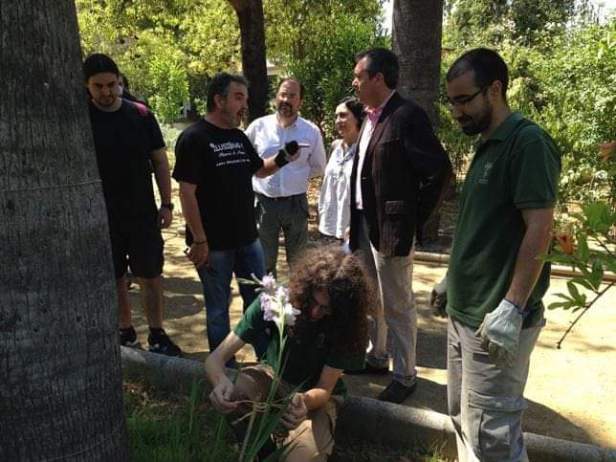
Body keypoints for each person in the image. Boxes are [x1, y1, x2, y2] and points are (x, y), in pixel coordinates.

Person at [445, 48, 560, 461]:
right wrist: (451, 279)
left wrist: (512, 306)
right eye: (452, 101)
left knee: (492, 437)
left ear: (495, 90)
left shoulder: (527, 143)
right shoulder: (486, 145)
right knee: (464, 421)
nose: (456, 112)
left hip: (494, 323)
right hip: (464, 313)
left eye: (464, 100)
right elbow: (481, 225)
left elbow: (540, 228)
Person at [347, 48, 452, 403]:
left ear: (378, 78)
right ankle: (377, 357)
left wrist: (411, 217)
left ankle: (405, 375)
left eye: (359, 76)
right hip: (364, 223)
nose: (354, 82)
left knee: (398, 303)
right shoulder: (369, 118)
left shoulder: (407, 115)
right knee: (372, 298)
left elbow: (439, 172)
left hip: (391, 229)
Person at [172, 73, 301, 359]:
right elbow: (186, 193)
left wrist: (283, 157)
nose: (245, 105)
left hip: (248, 239)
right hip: (213, 246)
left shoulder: (238, 137)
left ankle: (267, 362)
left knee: (260, 303)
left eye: (245, 98)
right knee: (218, 309)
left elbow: (260, 170)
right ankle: (223, 368)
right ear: (219, 100)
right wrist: (200, 240)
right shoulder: (194, 138)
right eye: (238, 98)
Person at [205, 246, 373, 462]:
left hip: (313, 397)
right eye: (313, 301)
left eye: (326, 308)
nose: (315, 312)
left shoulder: (346, 327)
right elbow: (215, 359)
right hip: (271, 377)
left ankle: (291, 442)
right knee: (235, 392)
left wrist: (305, 401)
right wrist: (219, 381)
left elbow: (324, 388)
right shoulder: (276, 299)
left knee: (304, 456)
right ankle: (259, 449)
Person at [83, 53, 181, 356]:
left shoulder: (140, 114)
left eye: (111, 84)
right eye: (98, 86)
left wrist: (167, 204)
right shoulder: (82, 119)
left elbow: (160, 161)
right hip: (101, 215)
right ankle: (124, 330)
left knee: (150, 275)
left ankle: (157, 333)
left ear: (119, 81)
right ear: (87, 86)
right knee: (115, 277)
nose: (106, 92)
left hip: (141, 213)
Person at [246, 78, 326, 276]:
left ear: (300, 101)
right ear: (276, 97)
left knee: (299, 264)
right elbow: (245, 161)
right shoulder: (258, 127)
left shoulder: (311, 131)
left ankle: (296, 297)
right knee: (264, 263)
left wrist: (296, 176)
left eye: (292, 96)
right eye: (282, 94)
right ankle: (266, 297)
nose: (286, 100)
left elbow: (318, 167)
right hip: (264, 204)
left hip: (296, 204)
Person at [318, 97, 365, 242]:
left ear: (358, 118)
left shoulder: (366, 149)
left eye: (343, 115)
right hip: (330, 226)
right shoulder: (335, 147)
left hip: (355, 229)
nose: (338, 120)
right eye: (336, 116)